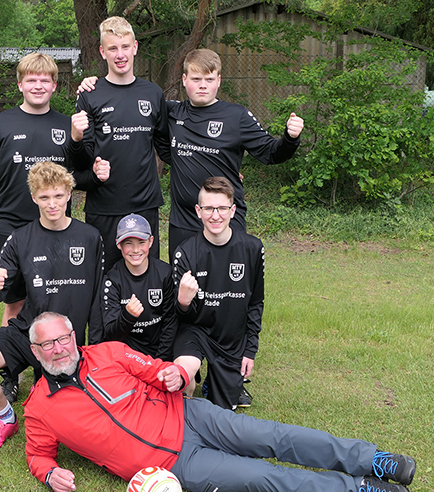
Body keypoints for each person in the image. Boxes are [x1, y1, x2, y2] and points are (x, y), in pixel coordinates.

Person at [24, 311, 417, 492]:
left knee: (274, 437)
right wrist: (49, 473)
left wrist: (178, 375)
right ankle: (361, 490)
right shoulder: (40, 408)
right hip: (173, 466)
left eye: (63, 338)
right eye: (48, 344)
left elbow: (159, 370)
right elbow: (38, 455)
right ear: (36, 352)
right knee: (263, 478)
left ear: (74, 336)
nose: (59, 349)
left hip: (192, 416)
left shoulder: (108, 353)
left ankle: (372, 460)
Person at [0, 52, 105, 402]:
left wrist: (95, 173)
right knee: (15, 303)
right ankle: (11, 374)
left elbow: (79, 174)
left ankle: (59, 368)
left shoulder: (67, 125)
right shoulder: (2, 122)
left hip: (58, 229)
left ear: (55, 86)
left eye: (45, 80)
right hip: (13, 227)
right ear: (20, 84)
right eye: (31, 80)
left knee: (55, 299)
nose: (38, 86)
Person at [0, 161, 104, 454]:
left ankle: (52, 390)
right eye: (44, 197)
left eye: (58, 196)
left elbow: (97, 300)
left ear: (69, 194)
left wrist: (94, 348)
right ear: (34, 198)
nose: (52, 204)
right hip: (27, 333)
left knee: (68, 427)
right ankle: (6, 419)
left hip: (66, 343)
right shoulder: (20, 238)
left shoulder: (90, 237)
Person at [165, 48, 305, 258]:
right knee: (183, 279)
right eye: (196, 79)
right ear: (184, 80)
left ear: (219, 80)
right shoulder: (172, 112)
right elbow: (145, 123)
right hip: (183, 222)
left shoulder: (237, 116)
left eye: (209, 79)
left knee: (228, 278)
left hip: (225, 221)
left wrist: (290, 138)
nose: (203, 85)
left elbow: (271, 153)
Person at [71, 16, 169, 270]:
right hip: (104, 206)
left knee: (146, 277)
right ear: (102, 52)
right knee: (103, 279)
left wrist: (218, 169)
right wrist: (79, 143)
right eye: (113, 48)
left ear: (135, 47)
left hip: (145, 204)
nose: (120, 55)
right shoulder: (90, 94)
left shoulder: (153, 93)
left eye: (125, 46)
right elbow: (82, 157)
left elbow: (168, 149)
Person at [170, 176, 263, 410]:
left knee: (225, 410)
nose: (215, 215)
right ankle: (190, 389)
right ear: (198, 211)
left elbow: (255, 303)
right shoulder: (185, 253)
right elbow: (179, 317)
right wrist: (183, 302)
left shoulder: (253, 248)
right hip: (196, 331)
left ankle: (216, 382)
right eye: (208, 208)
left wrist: (249, 351)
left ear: (233, 210)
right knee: (183, 378)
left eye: (222, 208)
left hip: (231, 338)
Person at [102, 213, 177, 360]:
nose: (136, 250)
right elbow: (111, 334)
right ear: (118, 244)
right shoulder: (112, 280)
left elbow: (170, 324)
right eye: (128, 243)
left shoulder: (165, 273)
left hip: (159, 352)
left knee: (184, 378)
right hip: (127, 356)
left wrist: (160, 361)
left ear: (151, 241)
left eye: (141, 242)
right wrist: (127, 317)